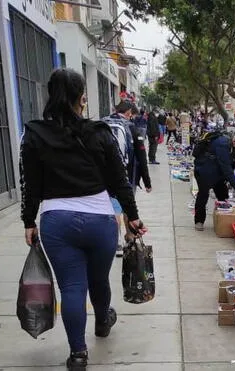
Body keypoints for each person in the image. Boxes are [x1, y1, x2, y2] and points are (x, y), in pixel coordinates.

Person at [20, 69, 147, 370]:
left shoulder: (34, 133)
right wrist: (133, 217)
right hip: (100, 220)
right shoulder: (100, 132)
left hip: (56, 221)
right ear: (82, 98)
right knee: (98, 279)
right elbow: (120, 181)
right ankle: (103, 321)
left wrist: (29, 221)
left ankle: (78, 354)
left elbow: (30, 185)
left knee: (72, 288)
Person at [102, 101, 152, 256]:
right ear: (129, 112)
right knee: (126, 206)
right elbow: (142, 157)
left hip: (103, 177)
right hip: (126, 176)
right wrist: (147, 181)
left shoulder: (101, 124)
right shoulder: (131, 127)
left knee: (113, 208)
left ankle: (114, 242)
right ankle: (129, 237)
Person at [192, 130, 235, 231]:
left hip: (217, 173)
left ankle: (223, 220)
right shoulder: (222, 144)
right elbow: (227, 168)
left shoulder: (233, 146)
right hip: (204, 171)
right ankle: (199, 221)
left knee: (223, 196)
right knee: (203, 195)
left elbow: (231, 165)